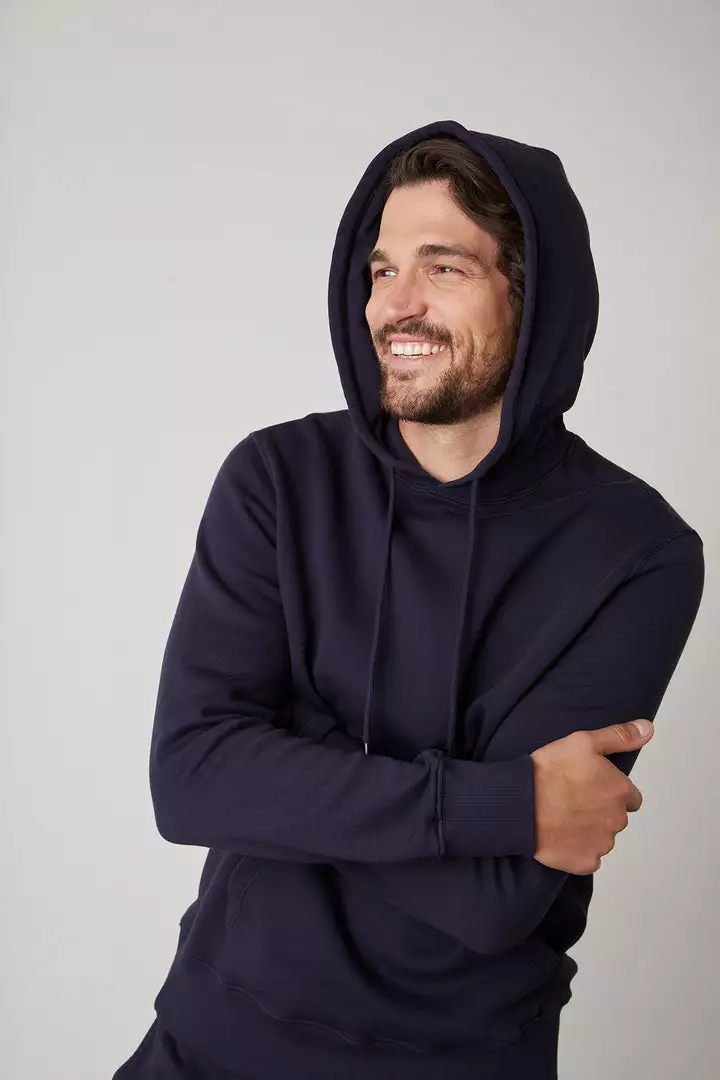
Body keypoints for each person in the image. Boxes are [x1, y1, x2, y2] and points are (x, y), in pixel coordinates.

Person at [112, 120, 704, 1079]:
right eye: (382, 270)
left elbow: (495, 898)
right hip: (209, 1042)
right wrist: (506, 800)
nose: (397, 305)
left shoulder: (638, 552)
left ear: (533, 295)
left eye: (445, 268)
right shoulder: (279, 480)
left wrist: (292, 755)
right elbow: (191, 781)